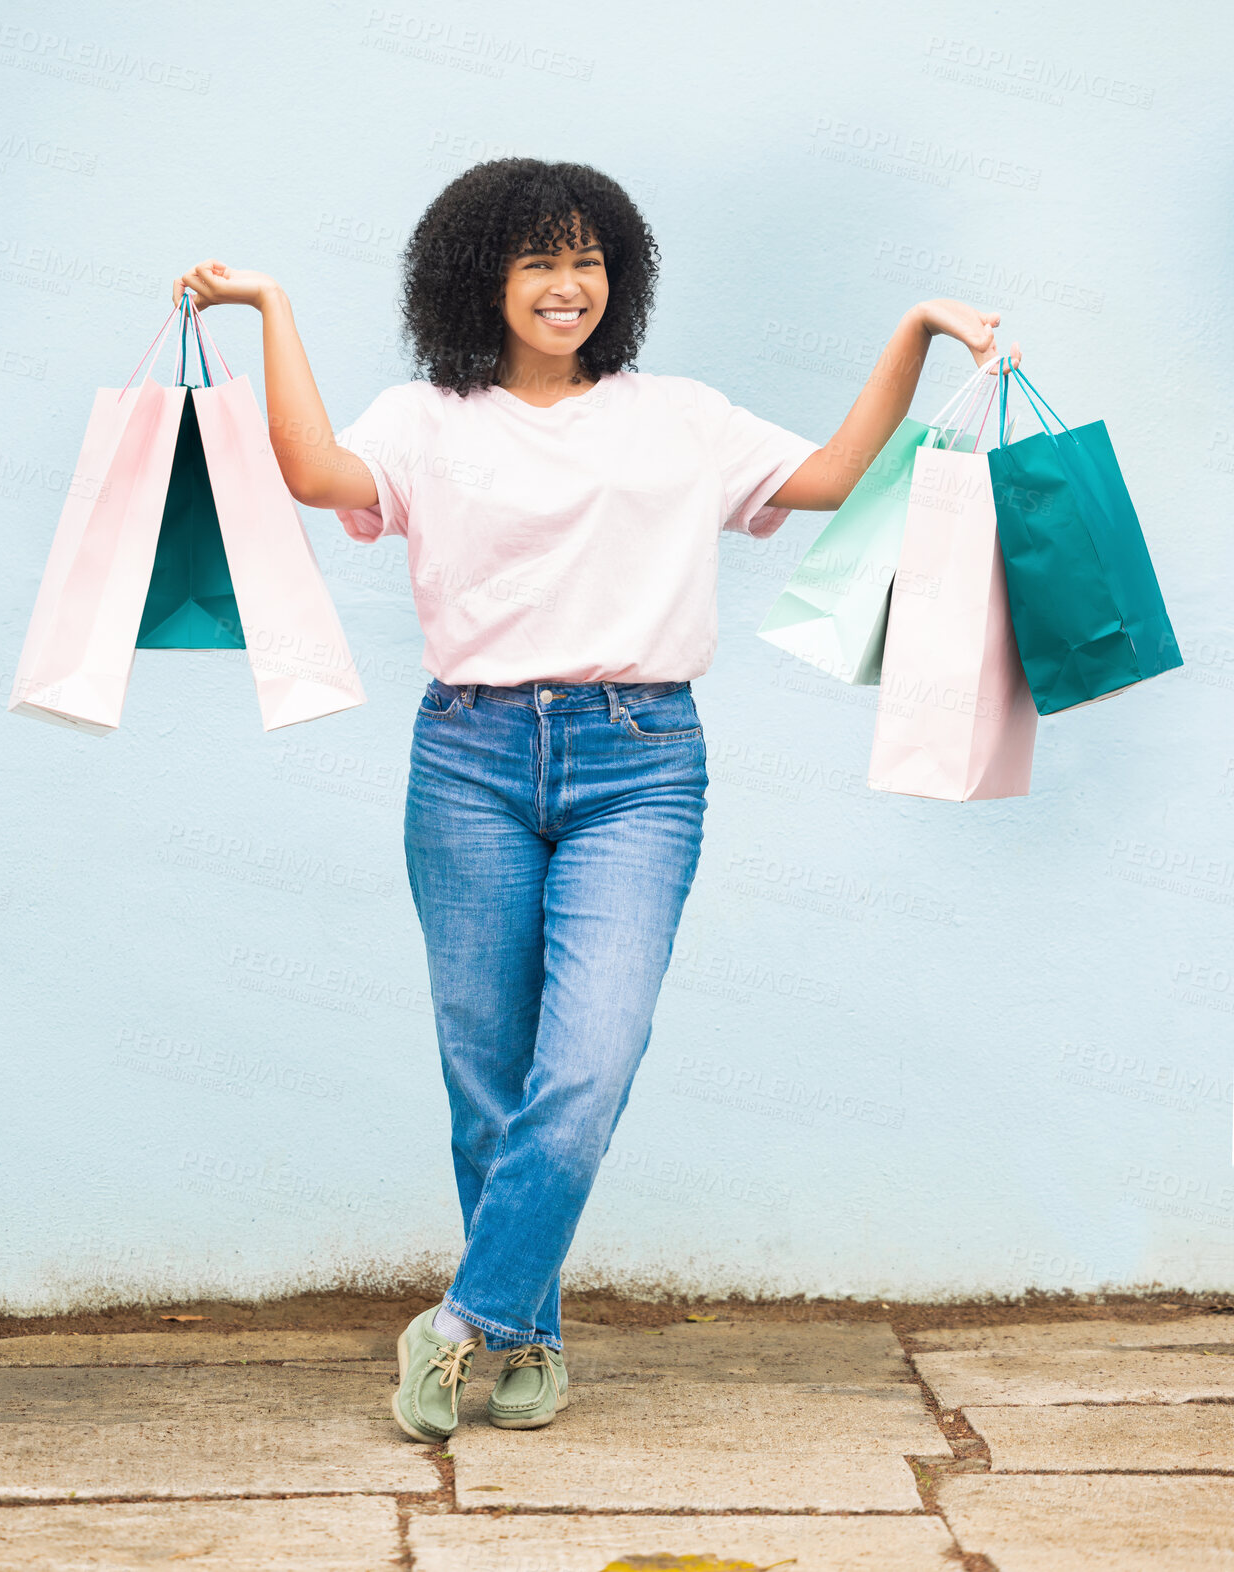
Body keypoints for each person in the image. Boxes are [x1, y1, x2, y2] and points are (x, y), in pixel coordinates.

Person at [173, 156, 1020, 1445]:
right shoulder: (426, 417)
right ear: (481, 279)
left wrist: (909, 333)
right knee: (488, 1076)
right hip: (467, 756)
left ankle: (460, 1322)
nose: (567, 286)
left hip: (642, 758)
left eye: (588, 259)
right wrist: (274, 307)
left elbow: (841, 478)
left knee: (589, 1061)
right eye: (536, 261)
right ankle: (526, 1347)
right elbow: (312, 473)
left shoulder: (678, 414)